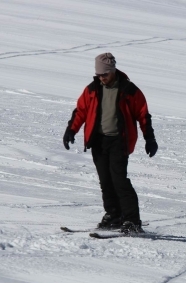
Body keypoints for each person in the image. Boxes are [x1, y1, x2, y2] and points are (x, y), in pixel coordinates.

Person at [63, 53, 158, 233]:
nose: (102, 78)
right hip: (98, 141)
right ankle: (113, 215)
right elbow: (81, 111)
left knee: (119, 180)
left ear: (112, 71)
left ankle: (132, 221)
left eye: (104, 75)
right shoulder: (92, 89)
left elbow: (143, 116)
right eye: (99, 75)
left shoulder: (129, 90)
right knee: (105, 181)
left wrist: (150, 138)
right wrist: (71, 130)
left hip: (119, 141)